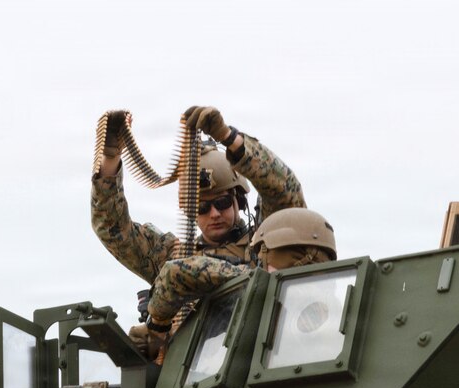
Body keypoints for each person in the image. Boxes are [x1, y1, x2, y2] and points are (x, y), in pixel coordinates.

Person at [91, 106, 307, 360]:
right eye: (202, 208)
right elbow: (114, 230)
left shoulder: (265, 246)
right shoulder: (173, 256)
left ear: (238, 200)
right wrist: (109, 162)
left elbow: (285, 191)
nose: (214, 214)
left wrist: (230, 138)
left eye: (222, 203)